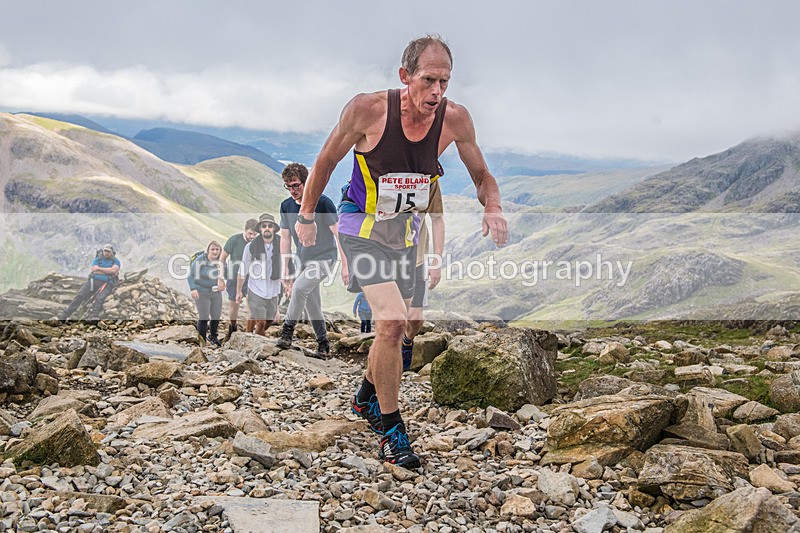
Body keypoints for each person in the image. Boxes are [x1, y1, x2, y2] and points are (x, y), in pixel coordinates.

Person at [294, 35, 508, 468]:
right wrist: (306, 214)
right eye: (429, 80)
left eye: (445, 82)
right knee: (390, 322)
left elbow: (482, 175)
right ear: (405, 76)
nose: (437, 91)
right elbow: (325, 161)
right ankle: (393, 432)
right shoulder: (368, 110)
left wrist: (494, 207)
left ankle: (365, 396)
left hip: (404, 238)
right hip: (360, 229)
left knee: (403, 324)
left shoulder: (455, 119)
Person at [275, 163, 342, 358]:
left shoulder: (323, 203)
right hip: (303, 259)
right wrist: (285, 269)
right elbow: (285, 238)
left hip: (325, 257)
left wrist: (346, 264)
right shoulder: (286, 206)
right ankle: (323, 344)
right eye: (288, 186)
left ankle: (287, 332)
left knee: (299, 289)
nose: (292, 190)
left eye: (296, 185)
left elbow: (338, 234)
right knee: (312, 304)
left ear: (306, 183)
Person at [402, 179, 444, 370]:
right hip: (385, 258)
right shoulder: (380, 168)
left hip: (417, 260)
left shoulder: (430, 176)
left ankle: (407, 340)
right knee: (391, 318)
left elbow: (437, 219)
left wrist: (436, 262)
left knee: (416, 318)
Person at [239, 213, 282, 336]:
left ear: (274, 228)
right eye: (264, 226)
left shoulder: (282, 244)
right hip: (256, 288)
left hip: (273, 289)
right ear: (260, 228)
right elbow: (243, 269)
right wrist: (238, 290)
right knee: (261, 322)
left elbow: (288, 264)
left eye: (270, 226)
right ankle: (255, 342)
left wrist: (289, 284)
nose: (267, 228)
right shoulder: (251, 246)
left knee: (269, 321)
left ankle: (252, 336)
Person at [219, 218, 259, 339]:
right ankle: (232, 327)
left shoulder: (257, 243)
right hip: (233, 277)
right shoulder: (234, 240)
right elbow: (222, 259)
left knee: (251, 305)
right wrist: (220, 277)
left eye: (255, 234)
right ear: (245, 230)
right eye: (250, 233)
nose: (252, 237)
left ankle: (248, 332)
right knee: (234, 306)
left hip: (251, 277)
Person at [59, 243, 121, 321]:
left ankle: (93, 316)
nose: (106, 253)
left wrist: (99, 269)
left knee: (100, 298)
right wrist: (108, 271)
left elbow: (113, 270)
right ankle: (65, 314)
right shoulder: (98, 259)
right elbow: (94, 270)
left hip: (107, 283)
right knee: (80, 295)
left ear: (112, 252)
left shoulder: (116, 261)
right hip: (92, 281)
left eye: (108, 251)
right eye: (105, 251)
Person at [188, 241, 224, 346]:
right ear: (208, 250)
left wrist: (223, 283)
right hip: (201, 291)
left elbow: (226, 274)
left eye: (217, 249)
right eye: (212, 249)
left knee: (216, 315)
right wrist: (193, 289)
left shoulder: (221, 261)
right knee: (204, 316)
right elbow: (190, 275)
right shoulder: (200, 260)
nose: (215, 252)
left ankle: (213, 336)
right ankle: (202, 340)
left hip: (215, 292)